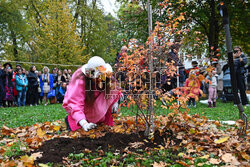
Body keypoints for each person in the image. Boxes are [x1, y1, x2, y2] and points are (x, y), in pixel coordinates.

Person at [63, 56, 122, 132]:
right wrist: (84, 123)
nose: (99, 80)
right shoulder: (80, 80)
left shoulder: (107, 76)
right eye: (96, 77)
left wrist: (115, 102)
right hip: (84, 115)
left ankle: (98, 119)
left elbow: (115, 90)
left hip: (101, 115)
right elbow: (75, 103)